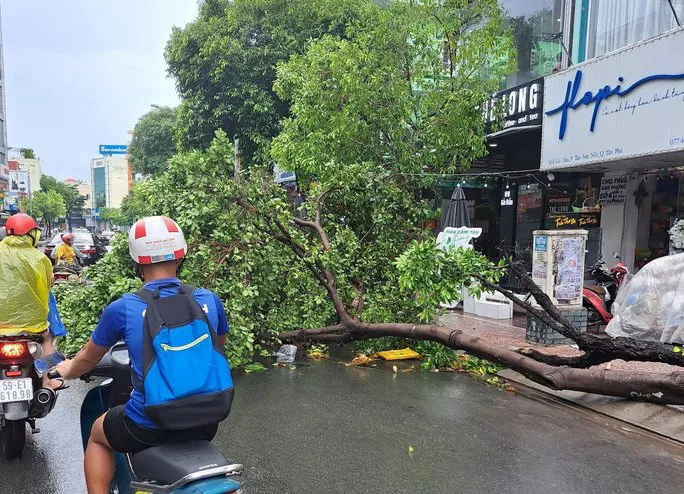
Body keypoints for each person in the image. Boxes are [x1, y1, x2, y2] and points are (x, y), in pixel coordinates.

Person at [56, 216, 234, 494]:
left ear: (137, 261)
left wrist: (66, 369)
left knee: (97, 434)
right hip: (208, 420)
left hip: (148, 424)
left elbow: (87, 359)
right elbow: (217, 347)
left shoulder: (123, 308)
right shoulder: (208, 299)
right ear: (181, 255)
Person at [0, 214, 65, 389]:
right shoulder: (40, 259)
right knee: (47, 339)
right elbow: (47, 286)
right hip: (32, 326)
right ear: (31, 234)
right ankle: (50, 379)